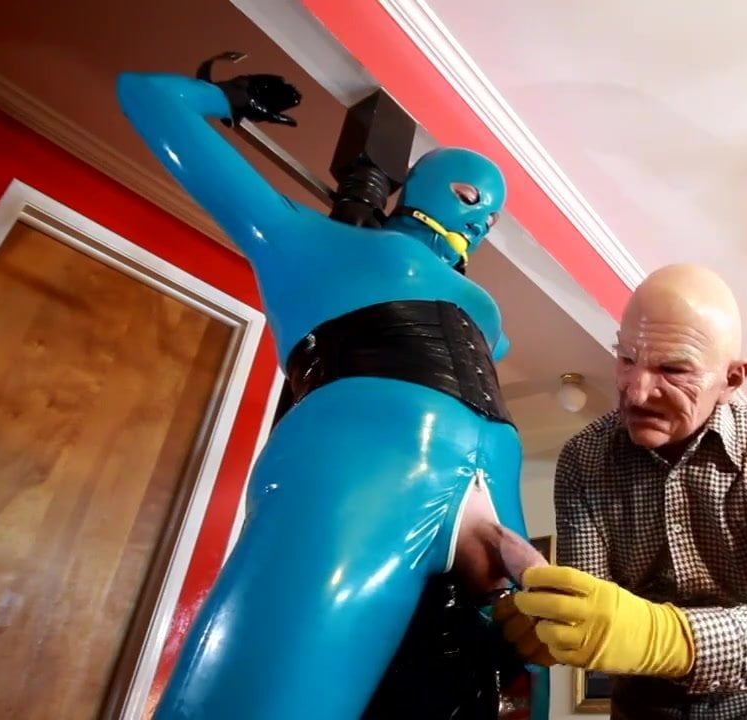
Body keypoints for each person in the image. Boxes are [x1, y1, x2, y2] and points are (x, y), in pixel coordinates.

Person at [118, 69, 545, 719]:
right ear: (419, 187)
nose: (480, 220)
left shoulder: (482, 310)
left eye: (492, 216)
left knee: (488, 697)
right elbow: (148, 96)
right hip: (366, 471)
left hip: (494, 494)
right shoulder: (312, 240)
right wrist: (228, 98)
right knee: (267, 700)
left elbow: (496, 347)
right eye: (469, 195)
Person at [497, 264, 747, 718]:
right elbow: (591, 607)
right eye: (626, 359)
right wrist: (557, 623)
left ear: (732, 380)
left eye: (673, 369)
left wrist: (664, 637)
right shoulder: (583, 459)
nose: (636, 393)